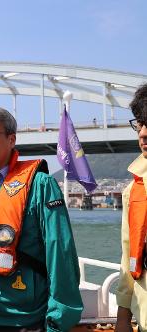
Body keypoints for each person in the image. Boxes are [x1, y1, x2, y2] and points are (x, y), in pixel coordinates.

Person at [0, 106, 83, 332]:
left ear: (11, 139)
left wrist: (56, 324)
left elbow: (61, 257)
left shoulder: (41, 186)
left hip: (24, 321)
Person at [115, 83, 147, 332]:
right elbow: (128, 258)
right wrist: (123, 315)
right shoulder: (133, 190)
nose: (143, 133)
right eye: (139, 123)